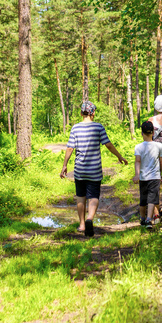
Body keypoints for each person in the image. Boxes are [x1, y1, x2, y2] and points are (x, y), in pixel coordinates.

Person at [60, 101, 128, 237]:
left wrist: (64, 165)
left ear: (81, 113)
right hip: (95, 170)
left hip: (79, 169)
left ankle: (82, 225)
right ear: (93, 113)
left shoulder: (75, 128)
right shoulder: (98, 127)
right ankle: (90, 218)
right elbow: (108, 144)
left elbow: (70, 148)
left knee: (80, 196)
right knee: (93, 196)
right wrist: (119, 156)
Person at [132, 120, 162, 229]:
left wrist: (137, 175)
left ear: (141, 133)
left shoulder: (138, 147)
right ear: (153, 133)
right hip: (155, 177)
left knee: (143, 199)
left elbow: (137, 161)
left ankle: (142, 219)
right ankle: (148, 219)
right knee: (152, 199)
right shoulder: (159, 146)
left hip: (143, 178)